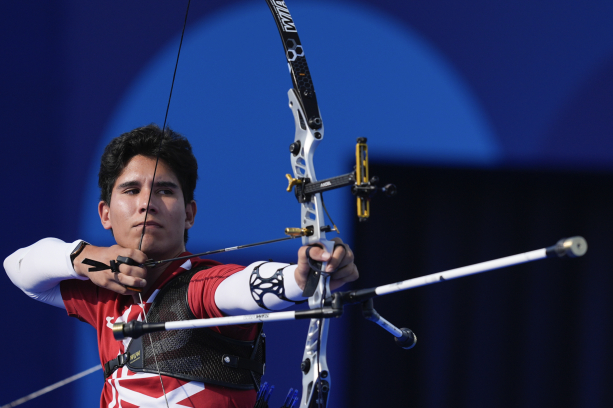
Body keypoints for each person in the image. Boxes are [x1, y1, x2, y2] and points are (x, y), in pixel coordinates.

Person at [4, 125, 358, 408]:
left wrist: (303, 277)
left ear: (189, 214)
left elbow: (241, 286)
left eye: (164, 191)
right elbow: (18, 267)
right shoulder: (104, 297)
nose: (147, 203)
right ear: (105, 215)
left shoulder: (202, 286)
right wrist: (88, 260)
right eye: (131, 190)